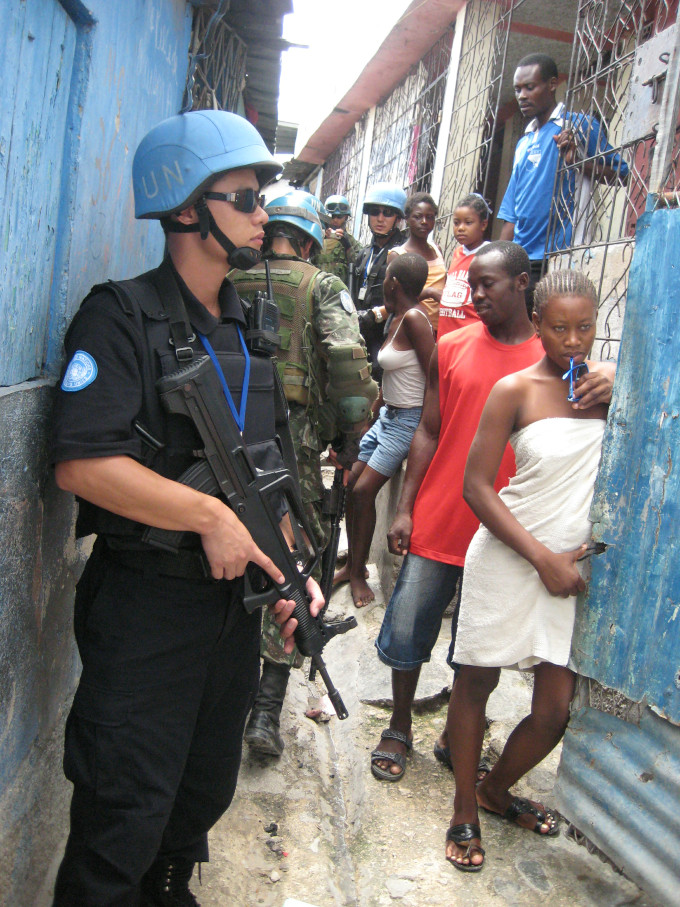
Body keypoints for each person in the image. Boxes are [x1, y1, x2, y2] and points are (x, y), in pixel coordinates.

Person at [49, 109, 323, 906]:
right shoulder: (122, 316)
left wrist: (293, 572)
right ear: (185, 210)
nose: (263, 212)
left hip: (229, 614)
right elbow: (82, 463)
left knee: (199, 792)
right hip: (147, 605)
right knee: (122, 807)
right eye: (245, 196)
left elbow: (263, 477)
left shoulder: (248, 330)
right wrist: (206, 517)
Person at [369, 242, 614, 784]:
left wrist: (614, 376)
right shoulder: (450, 347)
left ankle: (455, 735)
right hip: (443, 514)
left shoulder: (560, 360)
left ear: (524, 285)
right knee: (409, 626)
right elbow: (427, 429)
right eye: (471, 284)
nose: (476, 294)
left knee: (477, 651)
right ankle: (400, 724)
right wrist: (406, 508)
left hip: (507, 533)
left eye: (489, 284)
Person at [445, 270, 608, 872]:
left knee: (553, 712)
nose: (573, 341)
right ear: (537, 324)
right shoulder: (514, 389)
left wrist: (617, 381)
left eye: (585, 327)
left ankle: (496, 788)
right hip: (513, 558)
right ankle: (465, 805)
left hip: (570, 571)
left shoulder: (606, 390)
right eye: (559, 328)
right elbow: (477, 488)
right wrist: (540, 559)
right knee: (475, 684)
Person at [230, 189, 378, 757]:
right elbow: (346, 363)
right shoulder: (322, 285)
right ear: (312, 239)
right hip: (292, 445)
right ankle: (265, 711)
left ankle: (233, 689)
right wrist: (349, 433)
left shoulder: (231, 276)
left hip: (226, 438)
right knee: (295, 567)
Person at [334, 253, 435, 608]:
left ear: (392, 283)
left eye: (385, 279)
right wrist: (374, 412)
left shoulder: (416, 321)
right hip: (388, 414)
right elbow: (392, 374)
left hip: (408, 420)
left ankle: (359, 572)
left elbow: (433, 377)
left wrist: (429, 426)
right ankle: (352, 565)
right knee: (351, 483)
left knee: (363, 491)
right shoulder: (394, 317)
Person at [498, 52, 628, 296]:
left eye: (529, 87)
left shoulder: (579, 126)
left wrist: (579, 162)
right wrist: (501, 261)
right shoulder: (524, 142)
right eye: (517, 89)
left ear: (552, 84)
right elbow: (511, 213)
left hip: (562, 258)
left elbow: (622, 175)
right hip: (521, 261)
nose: (522, 96)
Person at [352, 182, 408, 382]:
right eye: (375, 212)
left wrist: (376, 314)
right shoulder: (364, 254)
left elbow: (409, 298)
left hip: (388, 334)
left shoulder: (403, 252)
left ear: (398, 218)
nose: (380, 218)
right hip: (361, 332)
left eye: (388, 213)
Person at [387, 192, 446, 332]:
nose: (424, 221)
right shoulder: (398, 255)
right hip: (411, 329)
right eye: (418, 217)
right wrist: (430, 292)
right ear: (407, 219)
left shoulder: (437, 250)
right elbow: (394, 302)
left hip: (439, 327)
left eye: (430, 217)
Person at [435, 193, 491, 338]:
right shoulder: (457, 253)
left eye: (468, 222)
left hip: (470, 337)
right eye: (456, 222)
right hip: (446, 335)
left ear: (483, 224)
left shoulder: (489, 255)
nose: (460, 228)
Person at [312, 194, 362, 284]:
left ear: (346, 217)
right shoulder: (317, 238)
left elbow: (358, 268)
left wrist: (347, 245)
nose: (335, 220)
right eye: (332, 216)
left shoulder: (351, 242)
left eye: (339, 217)